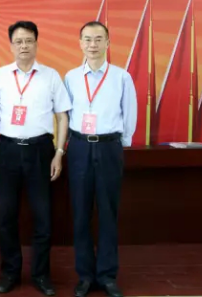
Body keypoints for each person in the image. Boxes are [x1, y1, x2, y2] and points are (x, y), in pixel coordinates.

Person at [0, 21, 71, 296]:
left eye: (28, 41)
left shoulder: (51, 76)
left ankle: (41, 274)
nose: (23, 46)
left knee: (43, 216)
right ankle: (10, 272)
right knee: (6, 216)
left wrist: (59, 153)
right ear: (11, 45)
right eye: (18, 41)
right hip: (8, 149)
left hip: (40, 150)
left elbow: (62, 117)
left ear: (36, 43)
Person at [63, 21, 137, 297]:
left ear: (108, 42)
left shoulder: (121, 77)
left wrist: (121, 143)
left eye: (98, 39)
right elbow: (65, 114)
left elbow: (129, 112)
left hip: (108, 147)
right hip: (79, 147)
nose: (92, 44)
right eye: (87, 39)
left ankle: (107, 275)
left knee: (108, 212)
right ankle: (85, 276)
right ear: (80, 43)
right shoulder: (71, 77)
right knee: (80, 213)